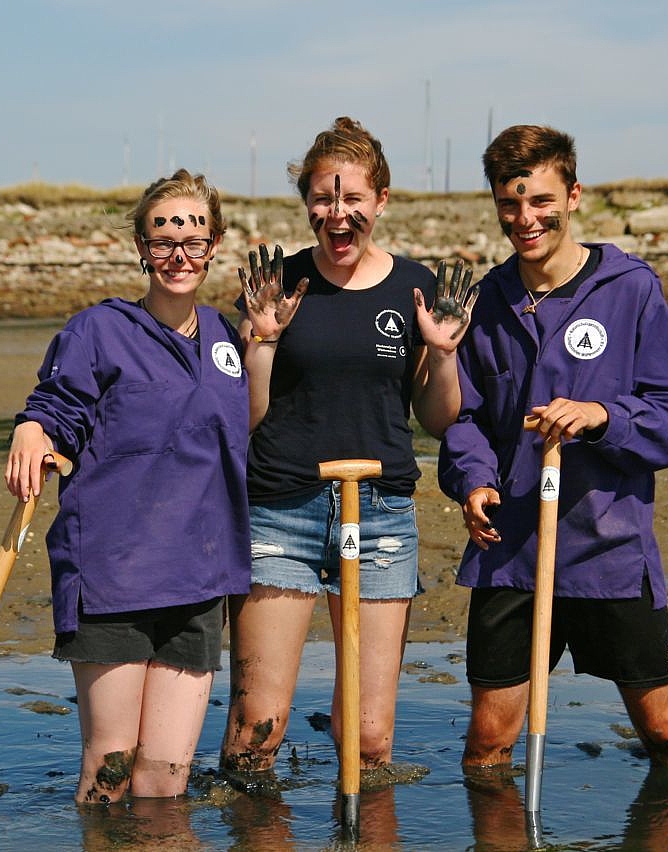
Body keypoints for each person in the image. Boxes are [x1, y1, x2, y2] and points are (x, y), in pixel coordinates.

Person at [439, 124, 668, 776]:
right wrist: (473, 478)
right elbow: (460, 417)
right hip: (512, 551)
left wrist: (601, 416)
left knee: (667, 741)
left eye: (538, 201)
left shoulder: (629, 289)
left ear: (573, 194)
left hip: (609, 547)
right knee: (486, 749)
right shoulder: (484, 301)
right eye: (509, 203)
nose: (524, 218)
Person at [220, 116, 476, 777]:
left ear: (380, 201)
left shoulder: (414, 288)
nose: (338, 213)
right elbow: (242, 417)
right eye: (324, 199)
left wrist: (443, 354)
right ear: (308, 203)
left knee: (368, 739)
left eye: (352, 199)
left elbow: (440, 418)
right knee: (256, 730)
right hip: (280, 511)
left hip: (381, 516)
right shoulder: (276, 285)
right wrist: (264, 341)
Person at [5, 169, 251, 803]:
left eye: (193, 239)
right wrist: (33, 430)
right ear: (142, 247)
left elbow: (250, 425)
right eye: (163, 238)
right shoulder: (98, 330)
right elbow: (59, 404)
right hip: (114, 571)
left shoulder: (226, 337)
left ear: (214, 245)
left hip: (198, 576)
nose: (178, 254)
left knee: (166, 782)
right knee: (111, 769)